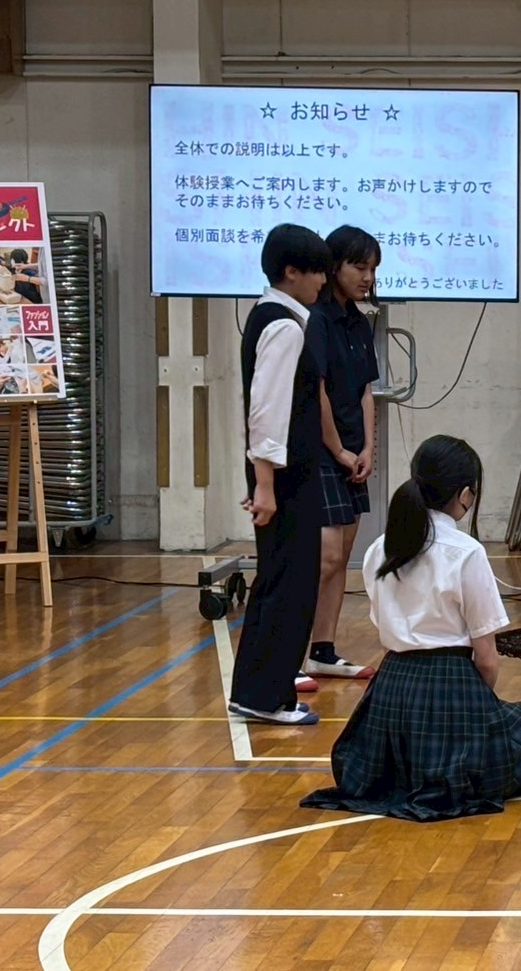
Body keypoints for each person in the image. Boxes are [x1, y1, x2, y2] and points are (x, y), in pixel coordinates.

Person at [300, 435, 521, 821]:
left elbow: (383, 622)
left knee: (398, 770)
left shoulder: (379, 548)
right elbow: (487, 659)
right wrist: (479, 711)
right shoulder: (467, 552)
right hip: (452, 684)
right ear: (466, 495)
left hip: (390, 690)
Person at [228, 223, 331, 726]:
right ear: (291, 272)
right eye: (317, 272)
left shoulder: (272, 316)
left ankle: (257, 690)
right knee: (289, 585)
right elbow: (266, 409)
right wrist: (265, 485)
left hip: (280, 477)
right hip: (286, 480)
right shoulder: (285, 326)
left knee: (278, 581)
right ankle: (266, 697)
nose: (323, 281)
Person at [304, 225, 384, 682]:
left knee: (343, 556)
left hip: (353, 453)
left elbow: (366, 390)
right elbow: (317, 390)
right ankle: (288, 654)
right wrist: (336, 449)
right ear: (334, 266)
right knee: (325, 556)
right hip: (321, 454)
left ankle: (323, 650)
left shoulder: (359, 321)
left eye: (372, 268)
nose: (367, 277)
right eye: (359, 266)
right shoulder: (316, 319)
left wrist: (368, 448)